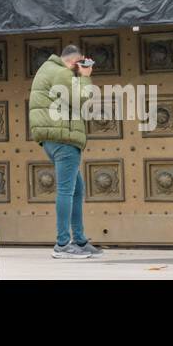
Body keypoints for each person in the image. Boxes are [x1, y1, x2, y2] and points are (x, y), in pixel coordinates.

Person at [29, 43, 104, 260]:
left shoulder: (48, 69)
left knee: (77, 189)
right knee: (66, 191)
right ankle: (62, 244)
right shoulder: (61, 72)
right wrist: (86, 75)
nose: (79, 67)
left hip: (55, 138)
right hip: (63, 138)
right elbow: (80, 99)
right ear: (73, 61)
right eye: (79, 64)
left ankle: (79, 240)